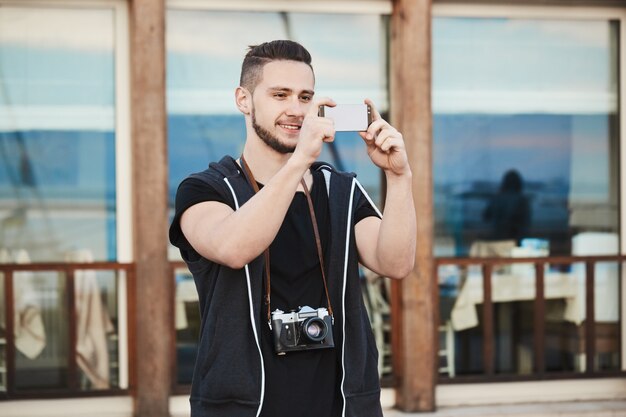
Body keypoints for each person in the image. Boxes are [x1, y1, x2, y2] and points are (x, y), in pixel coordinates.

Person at [169, 40, 416, 417]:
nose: (295, 110)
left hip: (342, 404)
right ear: (243, 100)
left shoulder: (340, 190)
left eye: (305, 97)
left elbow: (395, 263)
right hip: (242, 407)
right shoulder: (206, 189)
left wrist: (399, 177)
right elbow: (234, 247)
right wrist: (301, 161)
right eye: (280, 94)